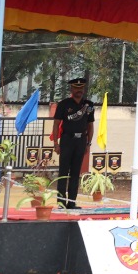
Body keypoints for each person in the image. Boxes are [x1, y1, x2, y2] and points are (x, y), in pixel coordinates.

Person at [53, 77, 97, 209]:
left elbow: (90, 125)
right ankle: (61, 202)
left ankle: (72, 202)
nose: (79, 91)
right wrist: (56, 143)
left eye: (81, 88)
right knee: (63, 172)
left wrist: (88, 143)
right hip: (67, 140)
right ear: (72, 89)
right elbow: (56, 124)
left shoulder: (89, 105)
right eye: (77, 88)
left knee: (75, 172)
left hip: (81, 141)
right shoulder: (64, 104)